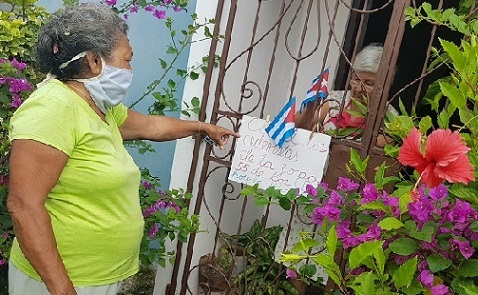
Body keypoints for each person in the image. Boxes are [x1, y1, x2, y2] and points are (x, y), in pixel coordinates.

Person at [7, 5, 239, 295]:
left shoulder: (97, 108)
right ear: (94, 61)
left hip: (95, 276)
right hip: (62, 281)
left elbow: (152, 127)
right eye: (127, 60)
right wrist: (63, 289)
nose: (129, 70)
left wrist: (203, 127)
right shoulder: (53, 108)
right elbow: (25, 206)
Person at [296, 43, 395, 147]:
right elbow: (304, 124)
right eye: (356, 79)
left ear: (383, 86)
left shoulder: (389, 116)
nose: (358, 88)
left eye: (368, 83)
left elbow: (387, 147)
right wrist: (309, 107)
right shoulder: (336, 99)